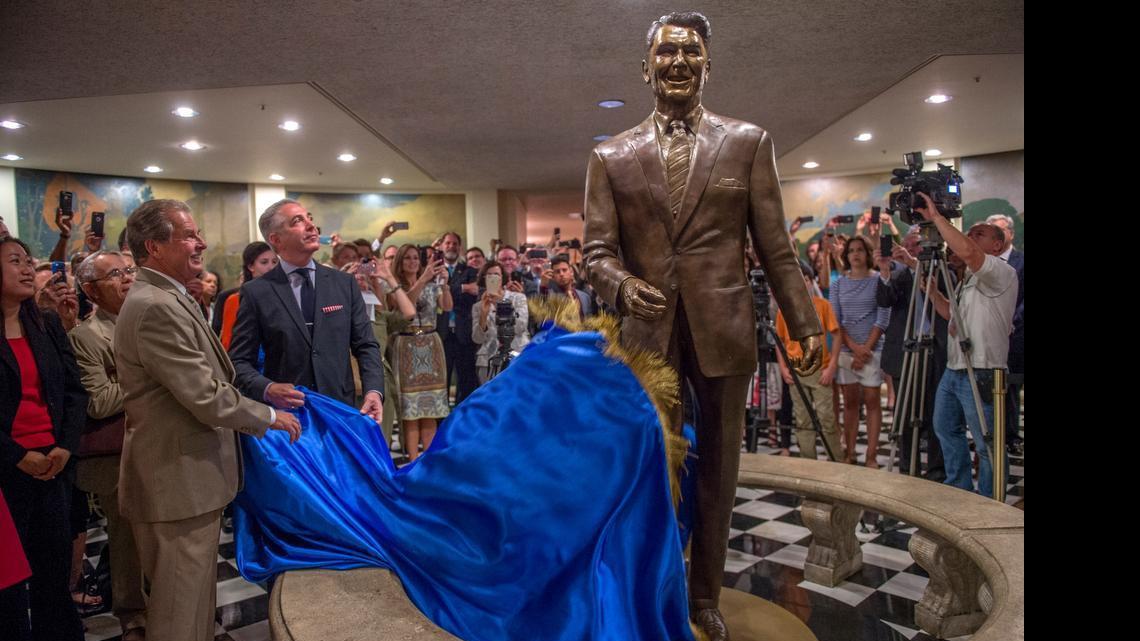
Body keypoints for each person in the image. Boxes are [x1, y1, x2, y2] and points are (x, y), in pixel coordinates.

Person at [582, 12, 823, 639]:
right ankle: (649, 587)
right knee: (650, 467)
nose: (679, 63)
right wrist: (621, 284)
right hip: (645, 335)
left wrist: (806, 324)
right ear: (646, 68)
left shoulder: (747, 142)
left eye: (692, 52)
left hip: (724, 328)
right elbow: (595, 253)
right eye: (667, 53)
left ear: (708, 65)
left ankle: (704, 596)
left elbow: (775, 247)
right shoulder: (611, 155)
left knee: (718, 468)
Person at [113, 199, 301, 641]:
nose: (201, 243)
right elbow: (204, 395)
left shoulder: (169, 296)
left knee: (194, 609)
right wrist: (269, 415)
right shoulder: (155, 305)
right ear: (155, 247)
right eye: (189, 235)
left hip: (187, 479)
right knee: (179, 615)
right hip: (175, 482)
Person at [0, 236, 88, 641]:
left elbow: (74, 390)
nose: (25, 268)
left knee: (53, 576)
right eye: (14, 261)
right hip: (8, 469)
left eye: (27, 260)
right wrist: (17, 456)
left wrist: (64, 447)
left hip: (53, 464)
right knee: (9, 587)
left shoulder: (46, 322)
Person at [230, 199, 385, 423]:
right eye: (297, 221)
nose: (311, 226)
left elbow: (366, 345)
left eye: (309, 219)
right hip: (289, 420)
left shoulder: (343, 284)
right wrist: (268, 388)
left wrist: (373, 391)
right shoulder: (257, 292)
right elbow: (239, 362)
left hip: (340, 411)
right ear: (276, 239)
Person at [69, 250, 147, 640]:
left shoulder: (152, 318)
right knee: (127, 540)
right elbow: (98, 402)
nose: (127, 278)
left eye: (130, 270)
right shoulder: (86, 336)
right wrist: (152, 374)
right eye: (115, 274)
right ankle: (132, 617)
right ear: (90, 290)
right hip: (117, 456)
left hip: (160, 445)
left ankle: (169, 609)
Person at [919, 194, 1016, 499]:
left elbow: (970, 252)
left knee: (988, 443)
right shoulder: (969, 279)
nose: (970, 238)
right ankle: (959, 491)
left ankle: (989, 503)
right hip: (956, 368)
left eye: (979, 234)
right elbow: (952, 314)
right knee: (945, 428)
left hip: (984, 369)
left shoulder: (1001, 272)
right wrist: (934, 294)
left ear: (997, 245)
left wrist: (938, 218)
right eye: (969, 232)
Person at [830, 235, 890, 467]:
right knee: (851, 403)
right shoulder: (838, 284)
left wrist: (866, 349)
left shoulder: (878, 281)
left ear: (867, 254)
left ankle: (871, 455)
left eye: (860, 250)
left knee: (873, 401)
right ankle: (850, 451)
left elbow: (883, 317)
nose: (855, 254)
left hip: (873, 349)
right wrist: (855, 349)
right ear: (846, 256)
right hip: (847, 350)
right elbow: (836, 320)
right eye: (851, 251)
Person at [389, 243, 452, 460]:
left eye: (416, 258)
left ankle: (430, 459)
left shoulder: (431, 283)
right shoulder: (394, 285)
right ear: (399, 261)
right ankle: (413, 459)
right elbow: (407, 309)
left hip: (431, 342)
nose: (412, 262)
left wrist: (445, 284)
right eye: (407, 258)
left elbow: (447, 306)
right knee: (411, 407)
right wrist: (422, 280)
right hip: (406, 344)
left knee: (431, 407)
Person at [776, 263, 843, 460]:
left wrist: (832, 366)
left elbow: (837, 335)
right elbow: (779, 340)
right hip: (795, 370)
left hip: (820, 370)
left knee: (826, 418)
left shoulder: (823, 306)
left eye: (805, 279)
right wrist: (782, 366)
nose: (801, 284)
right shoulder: (784, 310)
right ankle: (808, 462)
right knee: (802, 419)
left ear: (810, 281)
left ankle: (836, 461)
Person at [472, 260, 529, 383]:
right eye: (489, 274)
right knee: (490, 399)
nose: (493, 277)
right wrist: (483, 314)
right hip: (488, 360)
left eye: (496, 274)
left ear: (503, 278)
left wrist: (500, 303)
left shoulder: (518, 298)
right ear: (484, 278)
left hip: (516, 355)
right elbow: (477, 339)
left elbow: (520, 327)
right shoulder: (478, 306)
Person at [213, 241, 278, 347]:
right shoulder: (236, 299)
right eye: (264, 262)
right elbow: (228, 342)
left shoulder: (282, 297)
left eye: (274, 262)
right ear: (251, 266)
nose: (271, 267)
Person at [540, 254, 595, 319]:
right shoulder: (550, 297)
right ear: (553, 277)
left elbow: (590, 321)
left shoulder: (585, 297)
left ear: (571, 272)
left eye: (564, 270)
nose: (561, 274)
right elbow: (542, 314)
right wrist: (543, 286)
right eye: (557, 272)